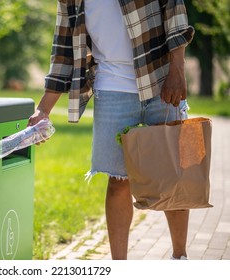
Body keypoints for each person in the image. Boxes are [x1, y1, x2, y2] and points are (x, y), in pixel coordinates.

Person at [28, 0, 194, 260]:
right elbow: (63, 51)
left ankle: (180, 258)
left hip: (162, 83)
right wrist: (43, 110)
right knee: (118, 182)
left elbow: (176, 18)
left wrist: (178, 71)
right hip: (112, 89)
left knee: (171, 178)